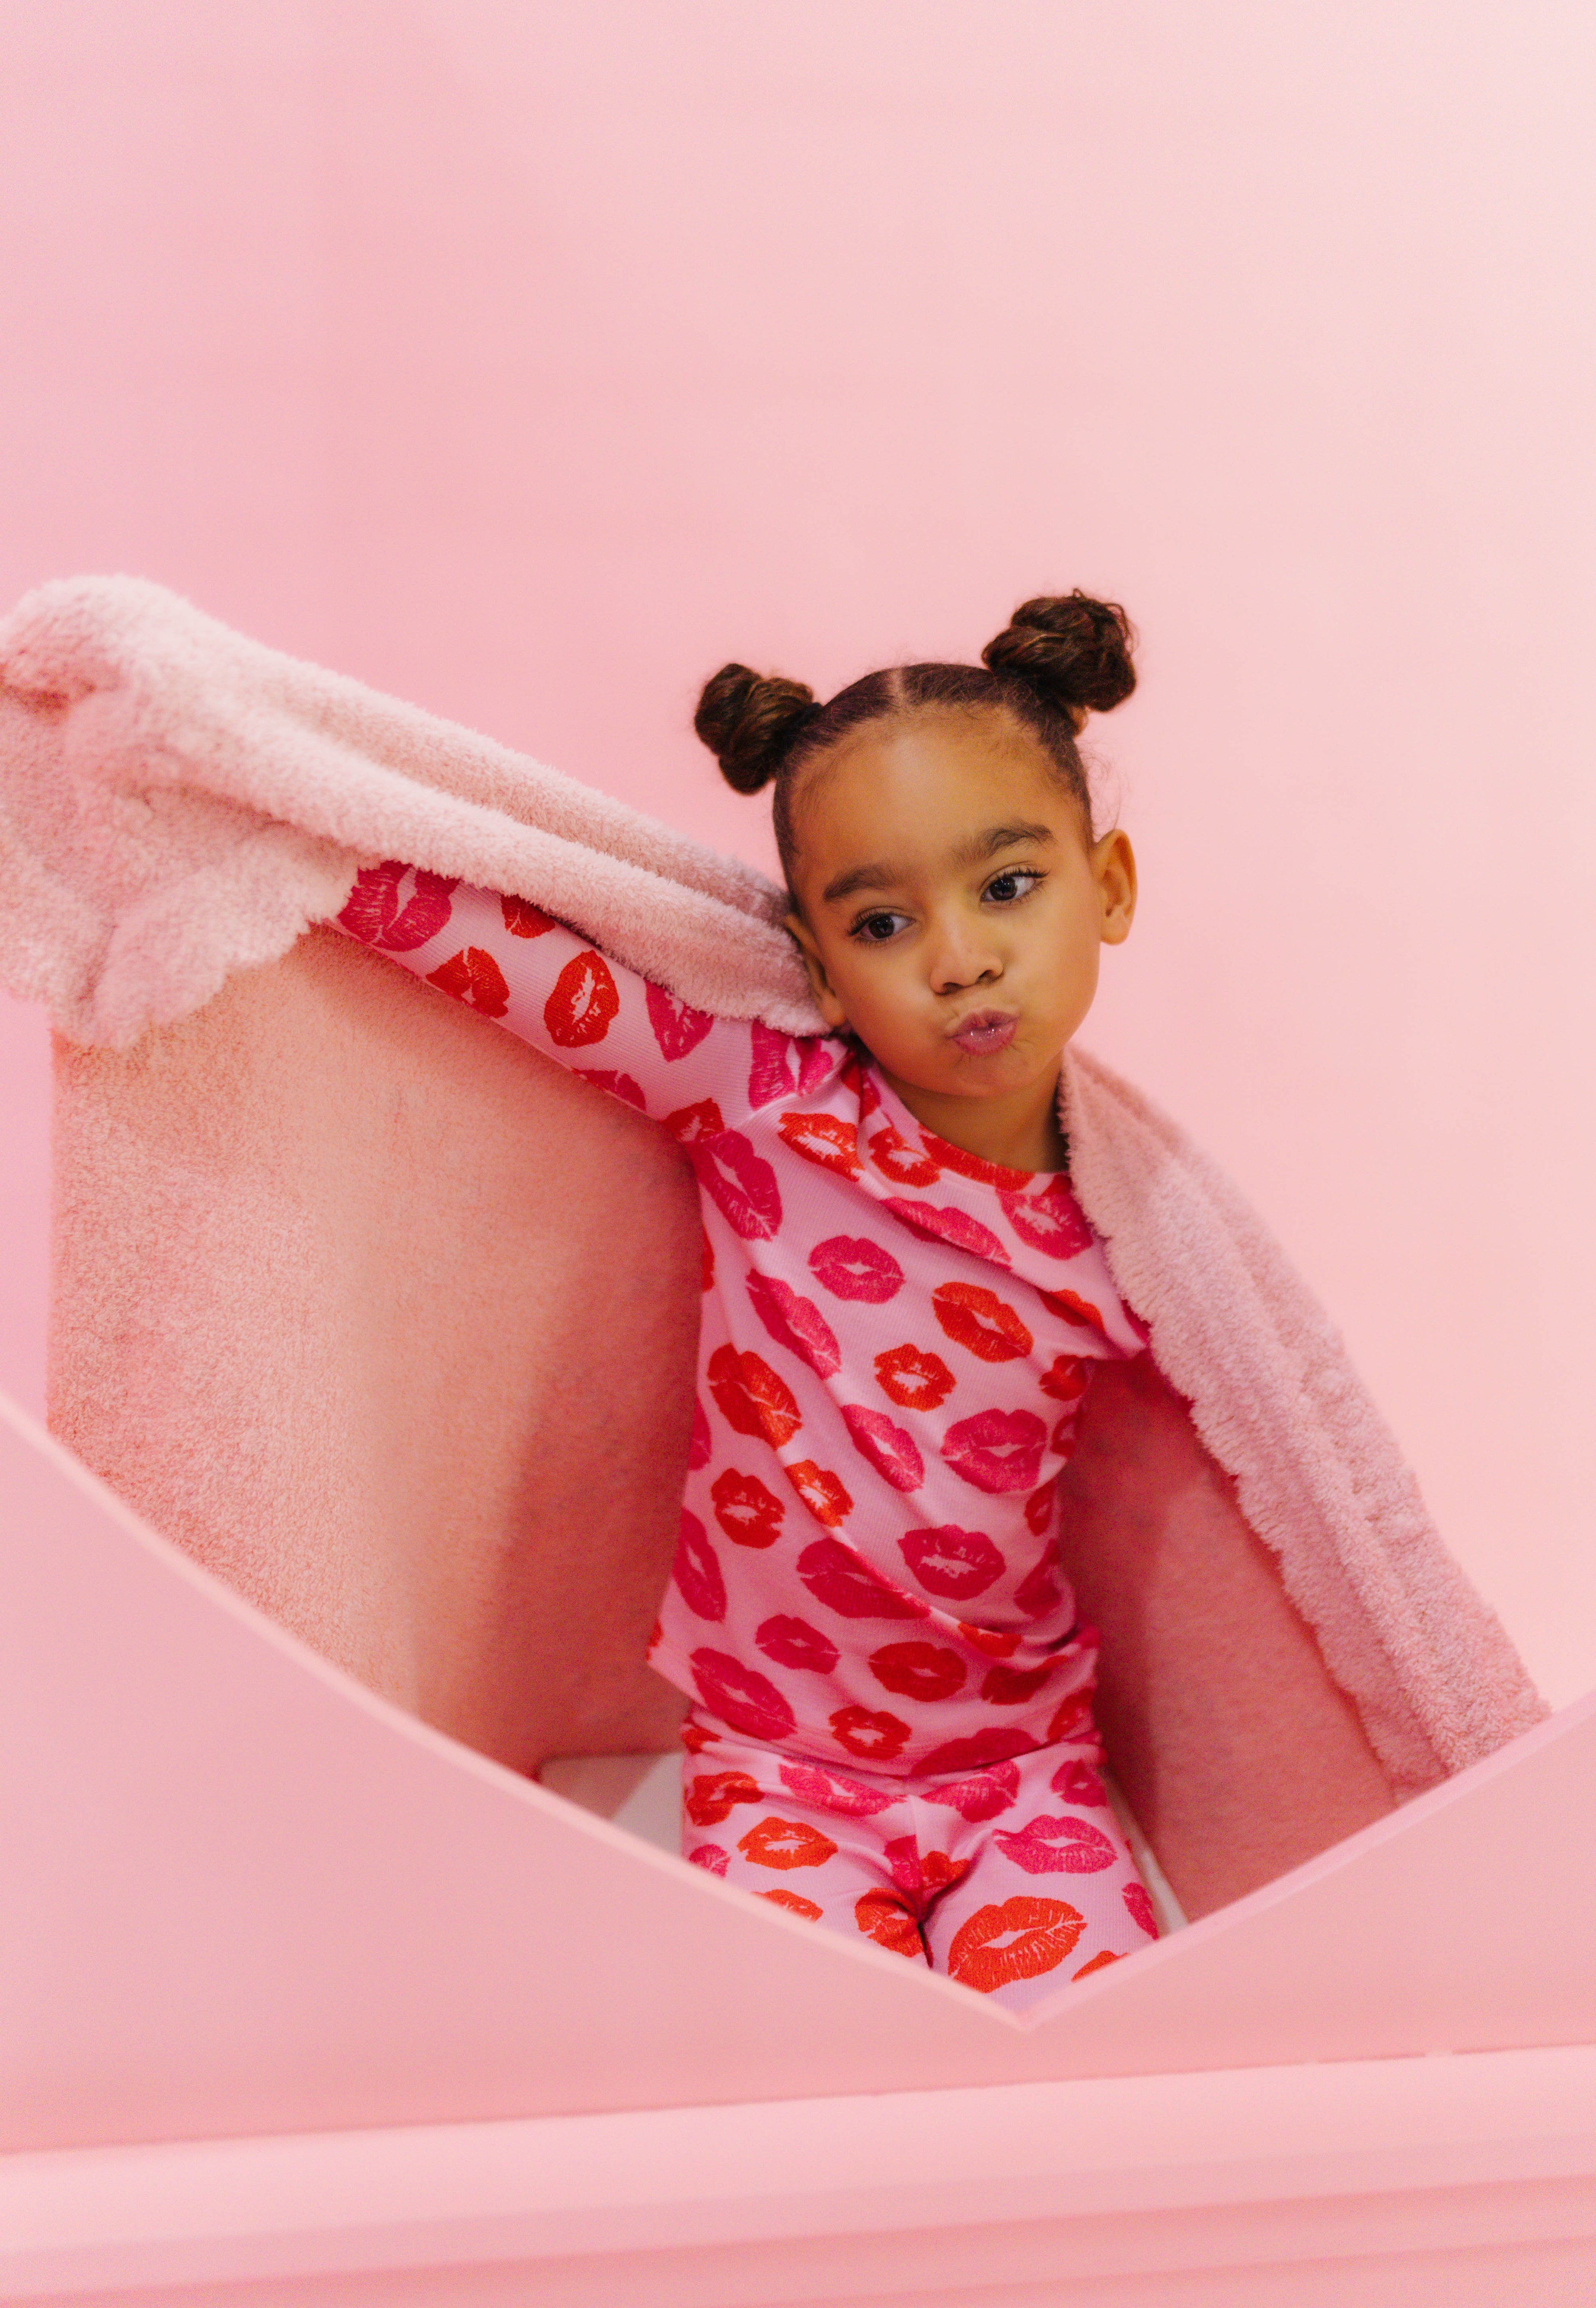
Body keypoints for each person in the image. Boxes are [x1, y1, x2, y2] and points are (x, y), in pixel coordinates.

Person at [339, 591, 1163, 2008]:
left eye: (1010, 888)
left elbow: (1279, 1462)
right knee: (809, 2081)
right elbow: (508, 957)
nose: (959, 956)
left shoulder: (1152, 1230)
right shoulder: (764, 1110)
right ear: (821, 962)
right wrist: (256, 806)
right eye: (887, 919)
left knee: (1098, 2085)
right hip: (780, 1769)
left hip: (1026, 1770)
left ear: (1113, 887)